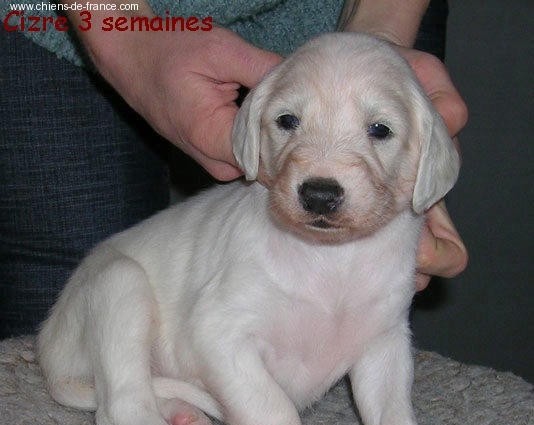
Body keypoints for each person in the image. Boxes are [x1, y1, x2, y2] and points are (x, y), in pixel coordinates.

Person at [0, 0, 467, 337]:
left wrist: (378, 38)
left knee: (363, 311)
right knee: (83, 316)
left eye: (380, 130)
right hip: (63, 15)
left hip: (353, 10)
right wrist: (123, 36)